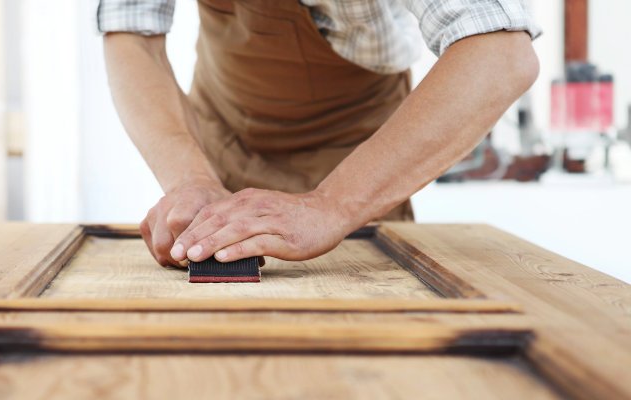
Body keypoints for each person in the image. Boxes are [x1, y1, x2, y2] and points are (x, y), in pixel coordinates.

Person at [100, 0, 540, 267]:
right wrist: (188, 179)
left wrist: (331, 205)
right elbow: (134, 36)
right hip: (220, 134)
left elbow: (501, 53)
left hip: (357, 144)